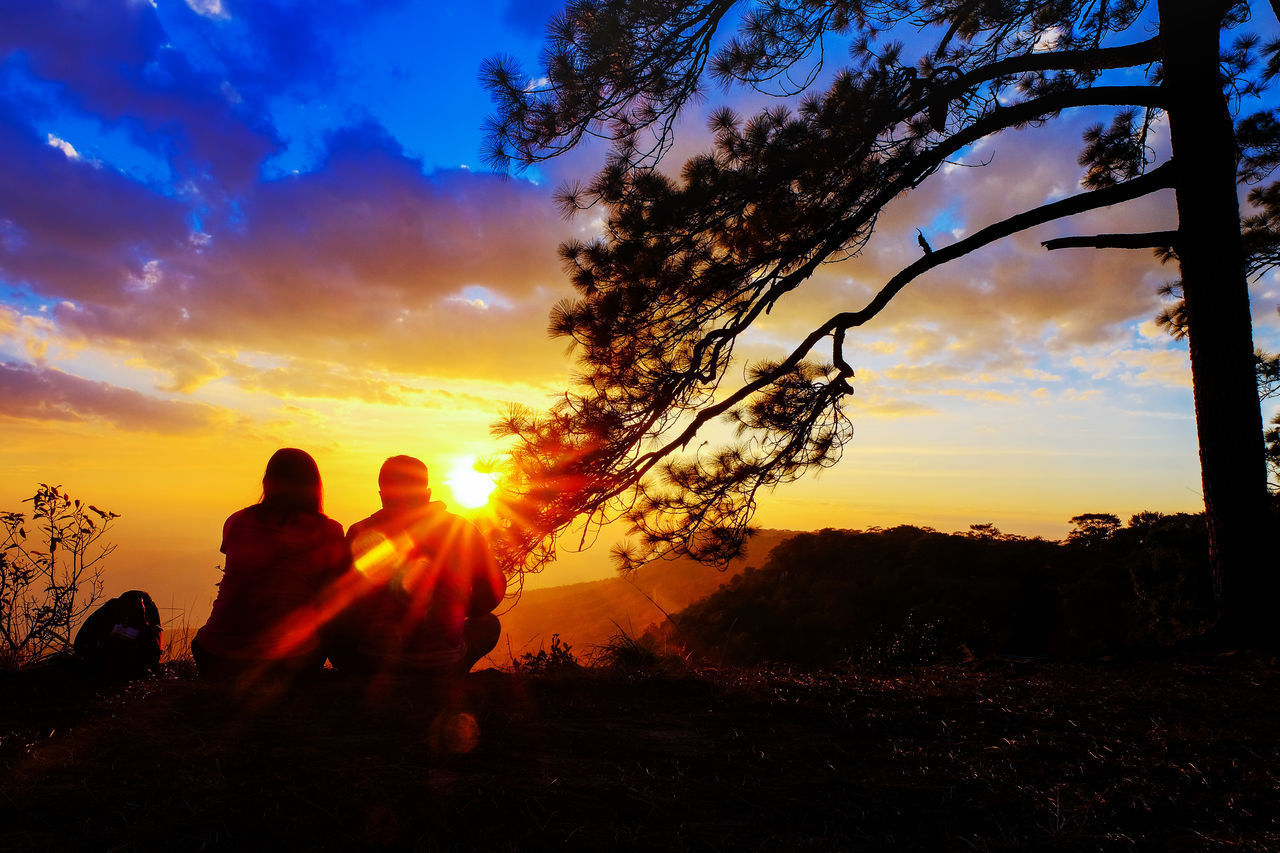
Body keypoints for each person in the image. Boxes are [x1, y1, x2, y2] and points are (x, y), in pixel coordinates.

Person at [332, 455, 505, 677]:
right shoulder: (461, 529)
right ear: (427, 493)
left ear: (382, 495)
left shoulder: (360, 533)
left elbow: (342, 603)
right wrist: (452, 611)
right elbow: (493, 591)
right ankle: (451, 670)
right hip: (442, 660)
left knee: (330, 627)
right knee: (488, 624)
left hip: (377, 661)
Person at [193, 448, 348, 682]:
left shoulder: (237, 521)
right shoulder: (328, 532)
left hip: (216, 658)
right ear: (314, 487)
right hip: (288, 666)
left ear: (267, 482)